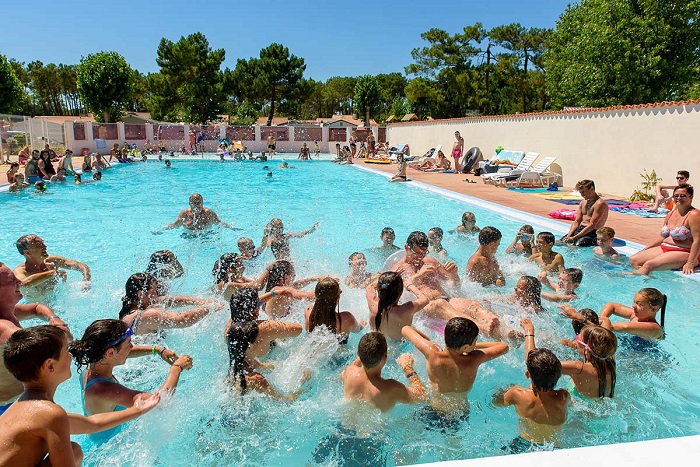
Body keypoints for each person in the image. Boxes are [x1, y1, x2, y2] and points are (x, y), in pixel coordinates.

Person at [0, 326, 160, 467]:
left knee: (75, 450)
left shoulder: (26, 405)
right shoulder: (49, 413)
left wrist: (137, 410)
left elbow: (92, 424)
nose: (71, 355)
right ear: (50, 366)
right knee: (75, 451)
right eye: (65, 352)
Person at [69, 319, 192, 441]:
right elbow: (160, 403)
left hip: (95, 438)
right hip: (109, 451)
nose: (132, 346)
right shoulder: (103, 389)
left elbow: (121, 352)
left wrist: (157, 350)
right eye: (129, 344)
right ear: (110, 352)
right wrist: (177, 368)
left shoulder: (90, 366)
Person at [0, 262, 71, 415]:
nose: (20, 281)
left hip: (22, 398)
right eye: (12, 280)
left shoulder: (10, 311)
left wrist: (53, 318)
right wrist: (60, 335)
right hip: (7, 407)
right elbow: (29, 341)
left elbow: (36, 307)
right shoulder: (2, 325)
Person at [492, 319, 570, 452]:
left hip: (524, 444)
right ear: (559, 375)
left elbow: (496, 402)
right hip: (554, 448)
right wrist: (529, 332)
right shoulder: (563, 396)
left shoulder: (517, 394)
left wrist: (504, 390)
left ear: (527, 374)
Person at [402, 318, 508, 414]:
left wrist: (429, 342)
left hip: (436, 411)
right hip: (461, 414)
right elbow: (504, 346)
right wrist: (472, 347)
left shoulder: (432, 353)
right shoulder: (474, 359)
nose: (475, 344)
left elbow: (405, 329)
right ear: (466, 347)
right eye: (475, 341)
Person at [340, 332, 426, 412]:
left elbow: (344, 373)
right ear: (385, 358)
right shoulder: (390, 388)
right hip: (375, 428)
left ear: (358, 354)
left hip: (343, 426)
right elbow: (422, 396)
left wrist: (364, 355)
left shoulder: (349, 371)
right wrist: (408, 368)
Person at [118, 273, 224, 335]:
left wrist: (199, 301)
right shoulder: (147, 315)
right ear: (141, 294)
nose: (157, 293)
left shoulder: (132, 307)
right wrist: (209, 308)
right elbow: (183, 319)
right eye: (154, 291)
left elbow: (170, 300)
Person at [630, 184, 700, 274]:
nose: (678, 198)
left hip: (685, 251)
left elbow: (698, 241)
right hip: (665, 248)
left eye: (682, 196)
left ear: (690, 197)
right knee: (634, 260)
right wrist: (645, 249)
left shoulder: (694, 215)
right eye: (676, 196)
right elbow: (662, 237)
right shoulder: (670, 214)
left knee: (648, 265)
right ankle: (653, 280)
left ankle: (626, 278)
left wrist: (690, 263)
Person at [13, 234, 91, 296]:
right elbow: (22, 285)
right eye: (38, 245)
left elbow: (80, 265)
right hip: (36, 311)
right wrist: (53, 273)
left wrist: (86, 279)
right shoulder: (20, 271)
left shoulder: (52, 260)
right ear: (27, 252)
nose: (45, 246)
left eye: (43, 243)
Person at [556, 322, 617, 399]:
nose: (575, 339)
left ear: (586, 349)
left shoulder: (578, 368)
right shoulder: (611, 360)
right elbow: (606, 329)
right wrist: (582, 320)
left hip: (577, 407)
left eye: (578, 338)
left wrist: (534, 336)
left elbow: (541, 366)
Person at [367, 271, 430, 341]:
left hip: (377, 343)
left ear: (379, 290)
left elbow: (370, 287)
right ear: (400, 292)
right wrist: (410, 285)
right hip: (401, 345)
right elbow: (425, 300)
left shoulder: (372, 304)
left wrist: (384, 284)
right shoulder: (406, 309)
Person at [304, 278, 364, 344]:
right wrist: (363, 323)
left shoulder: (308, 312)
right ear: (338, 298)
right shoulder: (346, 318)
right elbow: (358, 329)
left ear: (316, 295)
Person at [261, 260, 325, 318]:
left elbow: (296, 284)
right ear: (285, 277)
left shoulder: (275, 288)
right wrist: (329, 288)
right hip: (278, 326)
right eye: (293, 274)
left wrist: (314, 278)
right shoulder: (281, 290)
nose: (294, 276)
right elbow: (309, 297)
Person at [598, 288, 666, 341]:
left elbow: (625, 326)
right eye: (634, 302)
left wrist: (602, 324)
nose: (633, 306)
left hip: (644, 354)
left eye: (640, 304)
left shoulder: (654, 328)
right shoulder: (636, 315)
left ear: (654, 309)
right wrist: (602, 318)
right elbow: (611, 305)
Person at [561, 179, 609, 246]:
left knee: (576, 246)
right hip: (580, 229)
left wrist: (574, 238)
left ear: (592, 189)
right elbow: (577, 221)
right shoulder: (583, 202)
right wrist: (569, 236)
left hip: (593, 232)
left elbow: (592, 225)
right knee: (562, 242)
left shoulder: (599, 204)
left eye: (584, 192)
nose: (582, 195)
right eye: (581, 192)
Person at [162, 193, 234, 231]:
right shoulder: (185, 214)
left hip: (206, 237)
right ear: (190, 204)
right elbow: (175, 225)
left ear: (202, 203)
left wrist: (232, 228)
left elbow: (219, 224)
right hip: (188, 237)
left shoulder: (209, 213)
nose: (197, 205)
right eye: (194, 203)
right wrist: (162, 230)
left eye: (199, 203)